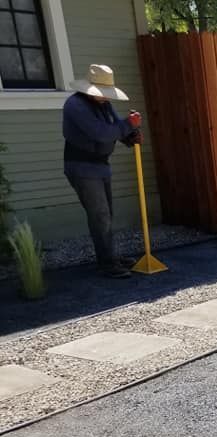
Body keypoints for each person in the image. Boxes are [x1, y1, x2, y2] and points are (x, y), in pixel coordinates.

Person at [63, 64, 143, 279]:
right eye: (102, 93)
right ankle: (107, 263)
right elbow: (100, 133)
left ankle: (111, 257)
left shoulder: (103, 104)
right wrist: (128, 124)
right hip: (81, 166)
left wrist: (129, 136)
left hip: (101, 166)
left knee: (106, 215)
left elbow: (115, 127)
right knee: (100, 215)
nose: (105, 97)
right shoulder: (75, 105)